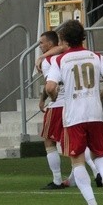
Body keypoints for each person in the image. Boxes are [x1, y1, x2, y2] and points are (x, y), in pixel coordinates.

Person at [45, 20, 103, 205]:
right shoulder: (96, 56)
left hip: (74, 116)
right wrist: (101, 94)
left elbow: (50, 87)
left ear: (63, 40)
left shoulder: (59, 60)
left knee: (77, 160)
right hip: (95, 113)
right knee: (99, 153)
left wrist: (53, 98)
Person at [37, 30, 68, 190]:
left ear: (50, 43)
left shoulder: (47, 60)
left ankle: (57, 180)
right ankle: (100, 173)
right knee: (77, 143)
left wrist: (46, 99)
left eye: (41, 43)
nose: (40, 46)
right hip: (72, 104)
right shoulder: (66, 55)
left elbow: (50, 85)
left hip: (57, 105)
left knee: (49, 141)